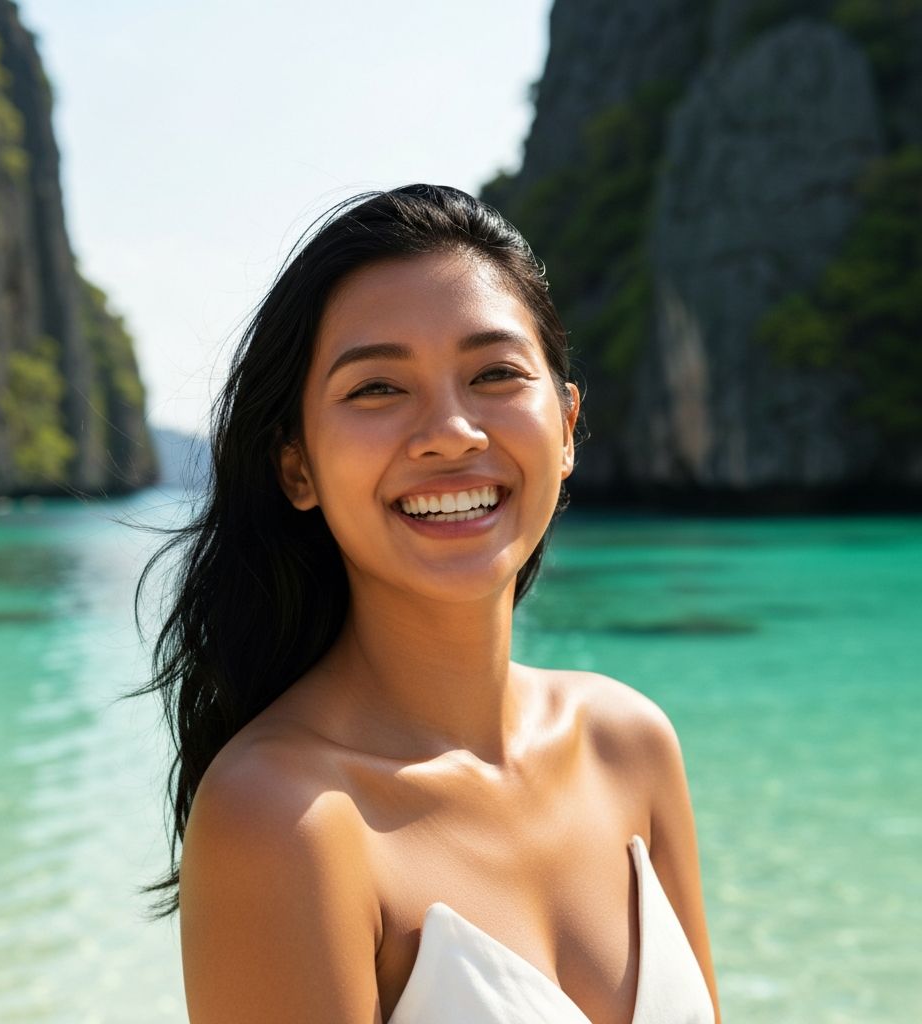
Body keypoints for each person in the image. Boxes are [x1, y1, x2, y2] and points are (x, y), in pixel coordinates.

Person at [136, 184, 722, 1023]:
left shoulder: (629, 746)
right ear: (296, 466)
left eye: (493, 374)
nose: (451, 431)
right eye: (378, 388)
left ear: (565, 428)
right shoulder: (283, 820)